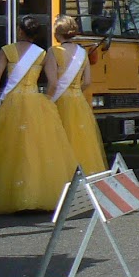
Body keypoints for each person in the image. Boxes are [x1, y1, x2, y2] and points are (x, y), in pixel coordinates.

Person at [0, 15, 78, 214]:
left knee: (8, 147)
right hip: (35, 102)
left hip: (12, 102)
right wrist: (47, 100)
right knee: (36, 148)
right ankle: (37, 193)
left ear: (20, 31)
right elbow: (52, 82)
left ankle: (8, 195)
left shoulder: (7, 50)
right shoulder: (42, 54)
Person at [49, 15, 107, 177]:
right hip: (78, 101)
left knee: (60, 140)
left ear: (57, 33)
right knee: (81, 141)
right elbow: (87, 81)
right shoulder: (82, 53)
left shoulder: (54, 52)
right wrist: (76, 91)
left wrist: (46, 100)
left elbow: (53, 83)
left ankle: (61, 176)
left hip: (60, 101)